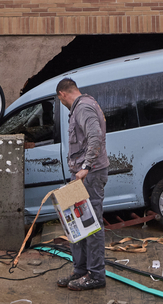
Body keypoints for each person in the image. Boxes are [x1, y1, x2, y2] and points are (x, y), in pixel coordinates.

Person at [55, 77, 109, 291]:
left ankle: (96, 275)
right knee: (74, 223)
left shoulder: (84, 107)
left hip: (90, 174)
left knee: (91, 224)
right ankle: (80, 271)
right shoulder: (83, 105)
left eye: (61, 101)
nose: (63, 104)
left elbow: (95, 136)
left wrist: (86, 166)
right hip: (80, 175)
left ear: (62, 94)